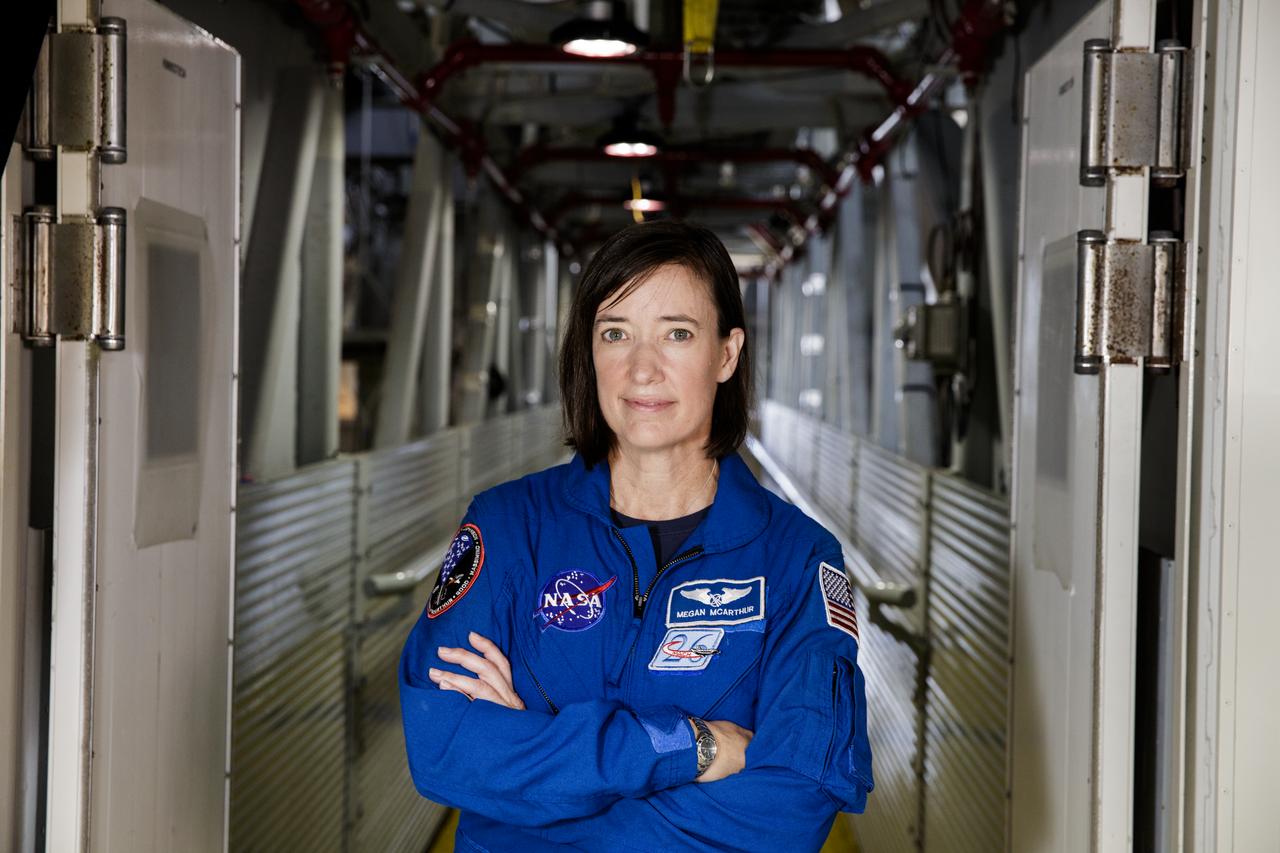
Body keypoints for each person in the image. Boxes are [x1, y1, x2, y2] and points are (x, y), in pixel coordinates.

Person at [400, 220, 873, 852]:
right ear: (589, 353)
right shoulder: (509, 527)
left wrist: (539, 789)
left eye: (677, 334)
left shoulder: (797, 559)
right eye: (615, 334)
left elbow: (789, 810)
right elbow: (446, 747)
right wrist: (694, 748)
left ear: (726, 354)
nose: (641, 369)